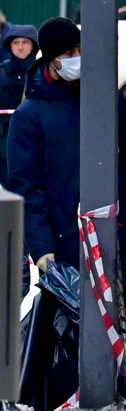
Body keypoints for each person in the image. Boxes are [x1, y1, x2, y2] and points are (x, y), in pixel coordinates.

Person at [6, 17, 126, 407]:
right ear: (51, 60)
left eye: (80, 51)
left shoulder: (107, 100)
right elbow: (27, 191)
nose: (78, 59)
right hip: (64, 246)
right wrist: (41, 248)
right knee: (61, 329)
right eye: (69, 54)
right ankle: (44, 401)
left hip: (116, 237)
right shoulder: (30, 116)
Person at [0, 24, 39, 299]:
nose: (21, 48)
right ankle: (16, 280)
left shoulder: (41, 75)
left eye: (26, 43)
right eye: (17, 43)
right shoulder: (2, 72)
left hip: (32, 156)